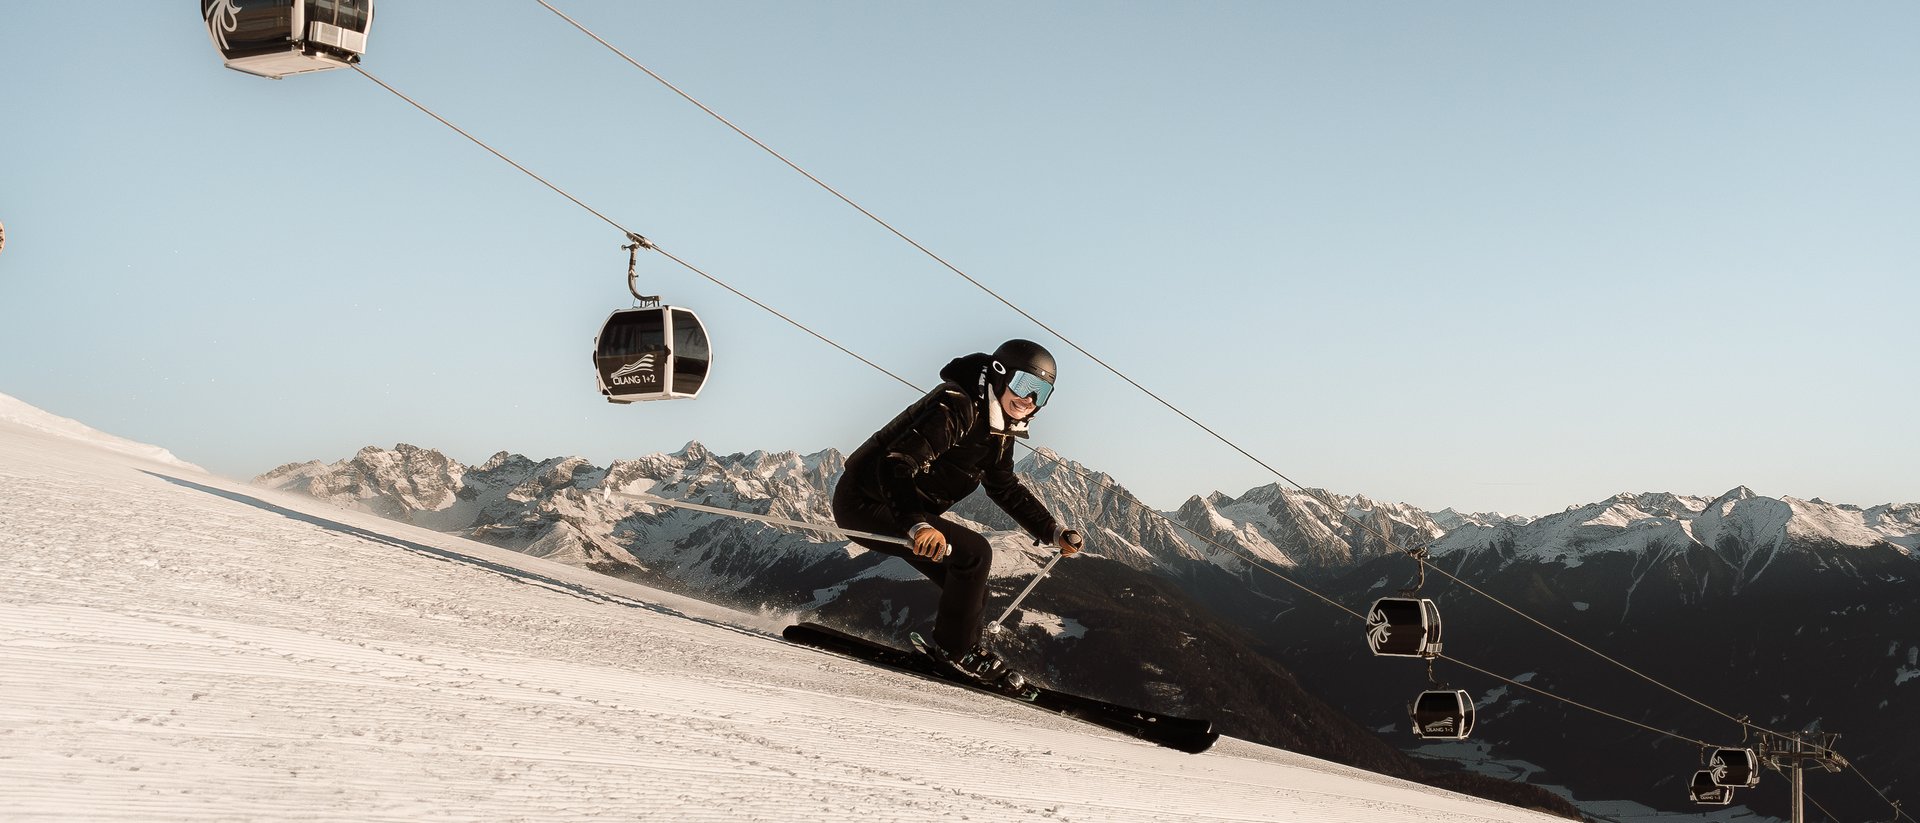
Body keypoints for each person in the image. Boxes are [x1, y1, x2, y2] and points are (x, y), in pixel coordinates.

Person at [832, 339, 1083, 685]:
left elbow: (1003, 485)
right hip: (866, 501)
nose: (1029, 400)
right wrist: (917, 525)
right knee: (975, 554)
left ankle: (960, 650)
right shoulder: (957, 405)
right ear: (1000, 375)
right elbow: (897, 463)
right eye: (1025, 384)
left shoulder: (999, 424)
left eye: (1041, 393)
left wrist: (1051, 531)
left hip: (903, 509)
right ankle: (958, 652)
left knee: (971, 587)